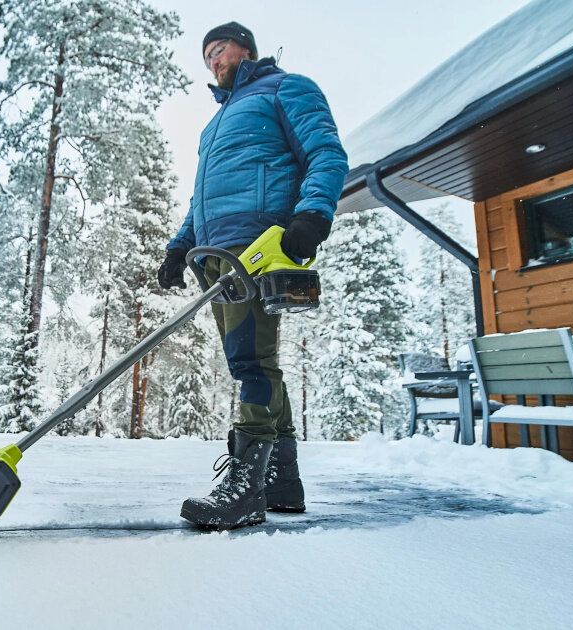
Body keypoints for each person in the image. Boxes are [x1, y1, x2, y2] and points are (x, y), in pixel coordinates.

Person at [158, 22, 348, 529]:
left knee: (250, 362)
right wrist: (179, 249)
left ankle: (246, 486)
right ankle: (282, 483)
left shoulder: (286, 88)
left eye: (219, 51)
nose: (213, 62)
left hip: (262, 245)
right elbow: (201, 198)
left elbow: (326, 154)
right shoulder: (213, 125)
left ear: (246, 49)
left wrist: (312, 215)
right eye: (206, 59)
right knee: (254, 359)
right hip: (215, 250)